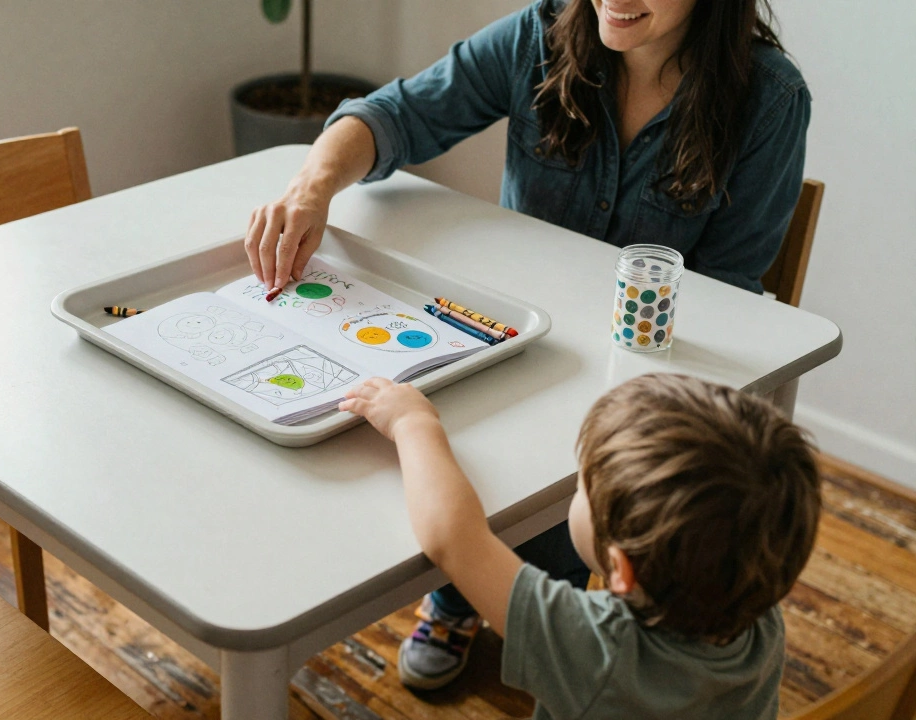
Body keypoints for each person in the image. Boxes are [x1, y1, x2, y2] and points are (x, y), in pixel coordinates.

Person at [245, 0, 810, 688]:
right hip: (516, 348)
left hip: (644, 377)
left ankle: (504, 592)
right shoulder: (540, 33)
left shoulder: (769, 98)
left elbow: (728, 296)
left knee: (530, 490)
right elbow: (396, 114)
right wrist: (312, 187)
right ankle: (483, 593)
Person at [339, 373, 820, 718]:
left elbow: (453, 538)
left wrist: (413, 424)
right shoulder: (756, 611)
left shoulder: (595, 652)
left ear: (621, 568)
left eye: (585, 486)